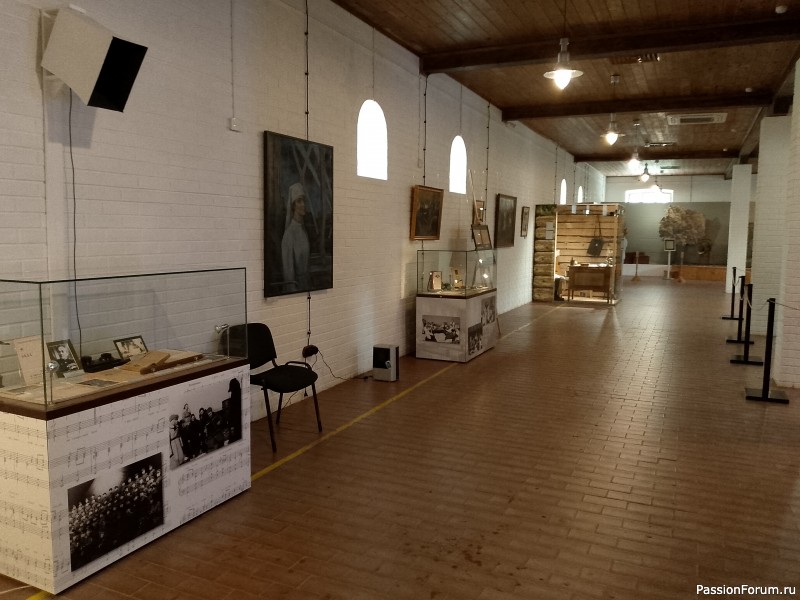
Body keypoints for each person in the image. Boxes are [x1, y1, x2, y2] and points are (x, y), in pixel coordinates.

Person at [281, 182, 311, 292]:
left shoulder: (303, 230)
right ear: (293, 205)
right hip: (296, 290)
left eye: (303, 201)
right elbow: (289, 276)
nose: (303, 204)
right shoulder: (289, 235)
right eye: (299, 201)